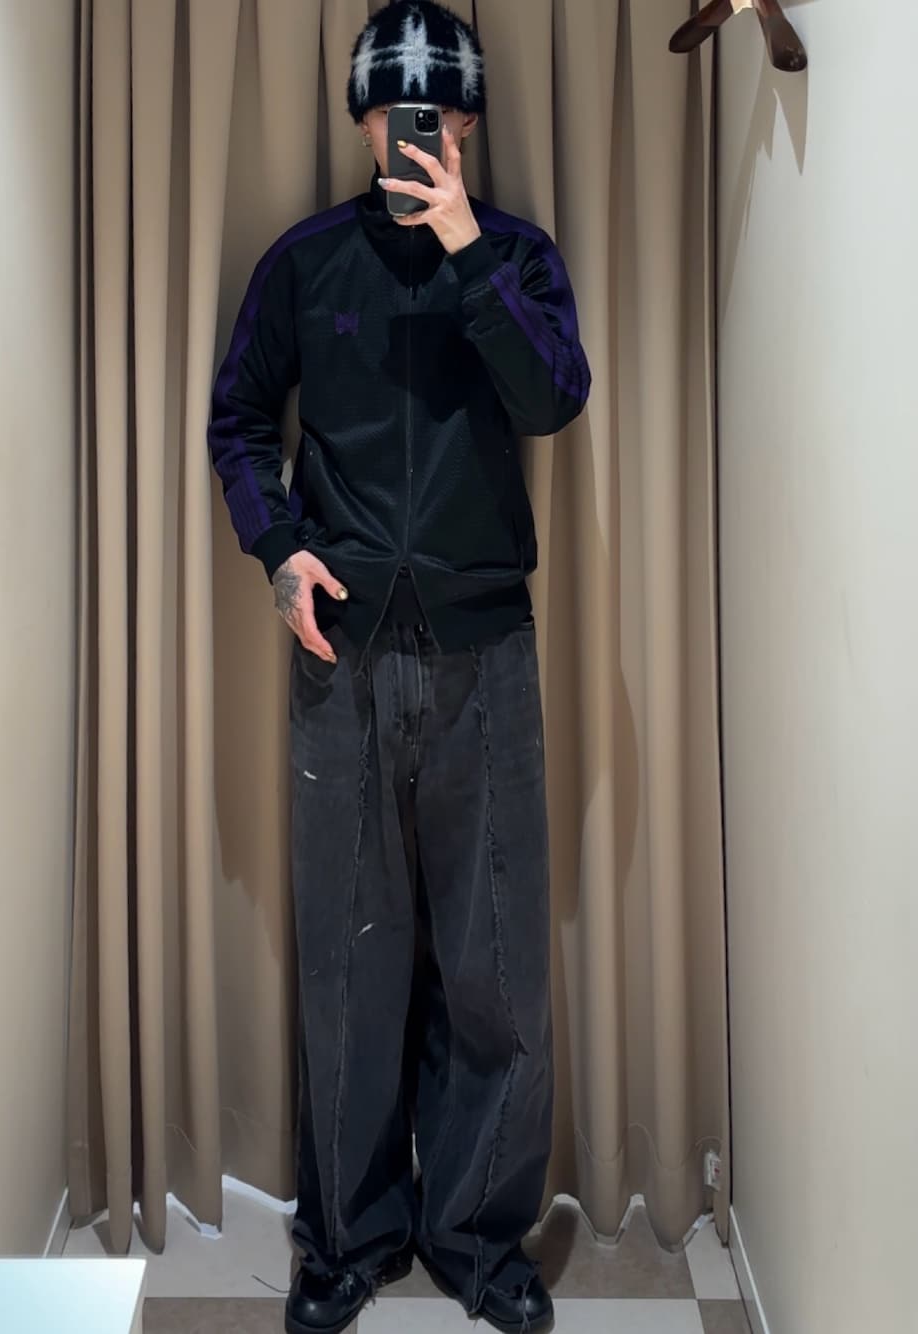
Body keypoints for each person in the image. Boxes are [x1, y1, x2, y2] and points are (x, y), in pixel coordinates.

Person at [207, 3, 590, 1331]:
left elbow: (551, 399)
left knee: (496, 966)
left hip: (488, 652)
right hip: (343, 652)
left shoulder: (519, 259)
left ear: (469, 123)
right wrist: (279, 549)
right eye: (394, 111)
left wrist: (470, 250)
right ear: (364, 120)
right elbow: (239, 417)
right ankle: (347, 1240)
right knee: (348, 964)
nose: (417, 133)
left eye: (441, 113)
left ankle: (478, 1240)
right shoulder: (305, 262)